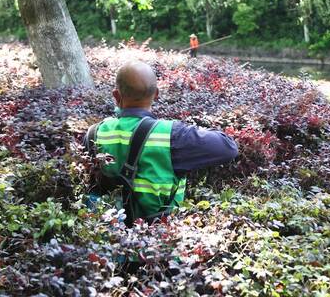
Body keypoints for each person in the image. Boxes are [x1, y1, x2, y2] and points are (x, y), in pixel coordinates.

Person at [84, 61, 238, 224]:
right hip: (159, 238)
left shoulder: (95, 132)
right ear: (156, 94)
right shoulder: (172, 135)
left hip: (105, 234)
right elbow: (229, 147)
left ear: (116, 96)